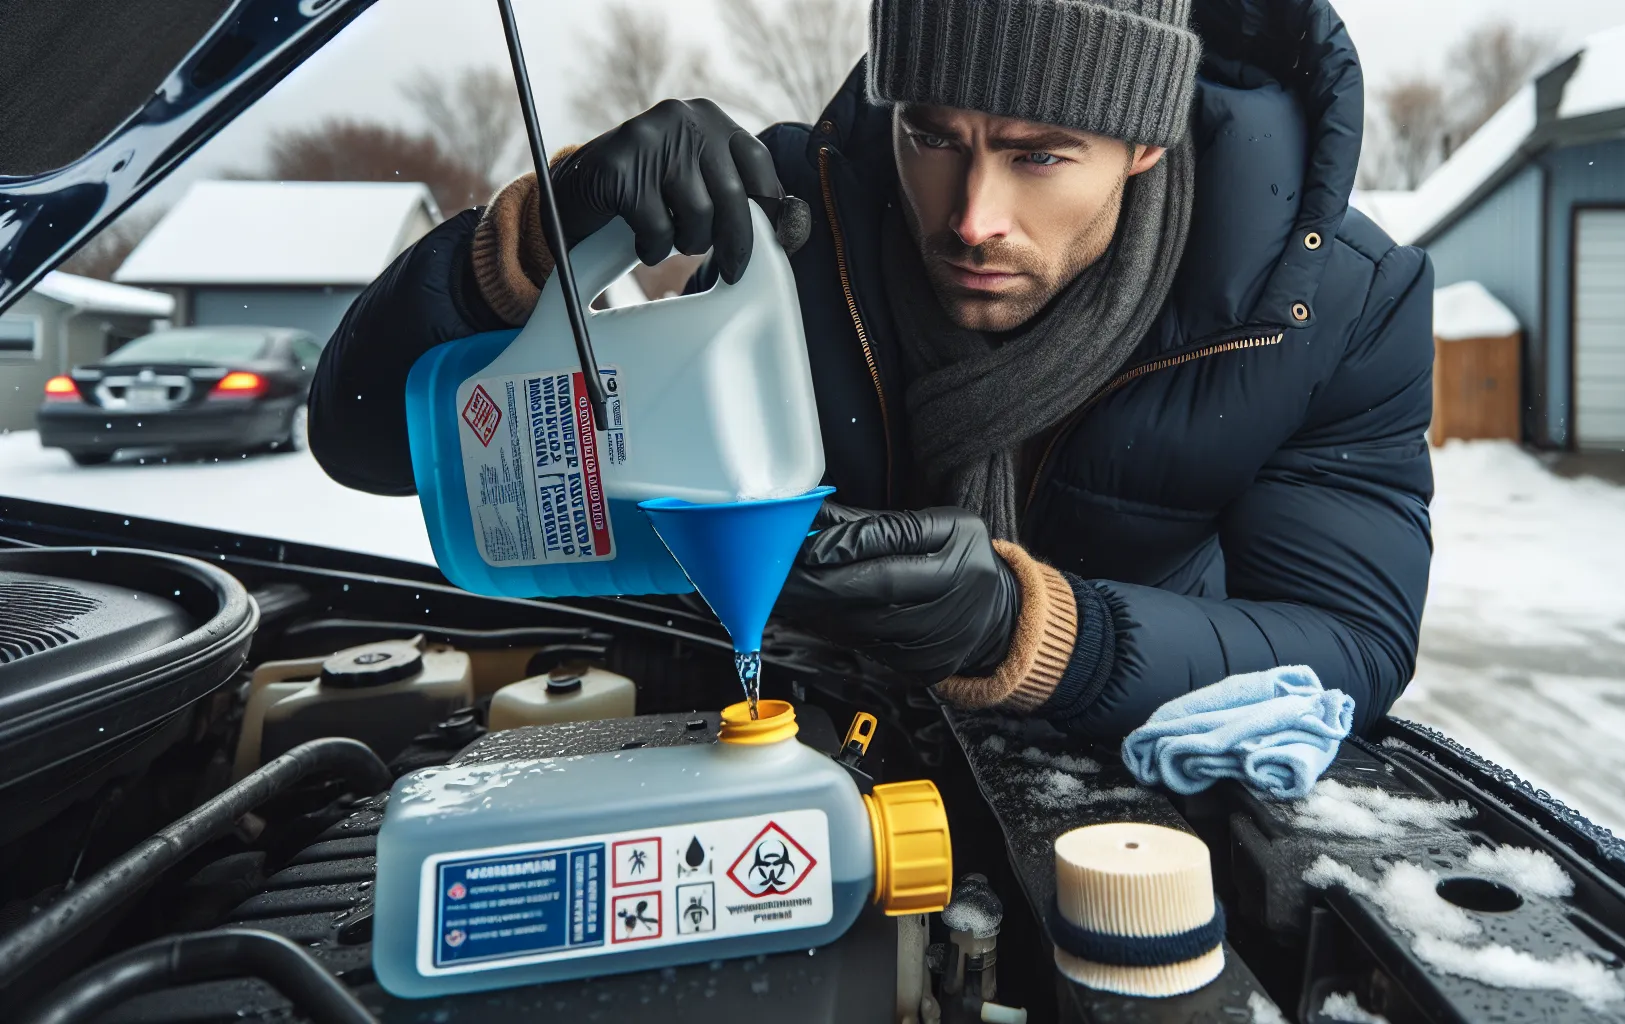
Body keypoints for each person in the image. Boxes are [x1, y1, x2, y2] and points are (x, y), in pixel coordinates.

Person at [309, 0, 1434, 741]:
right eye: (934, 137)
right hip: (781, 750)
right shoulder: (782, 226)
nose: (974, 217)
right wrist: (535, 240)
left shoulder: (1326, 305)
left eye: (1041, 155)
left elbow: (1352, 643)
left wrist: (1033, 631)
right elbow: (364, 442)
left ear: (1147, 142)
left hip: (1108, 804)